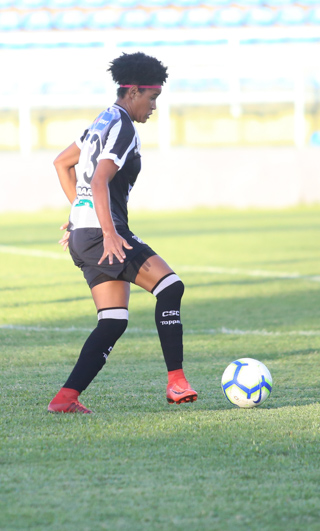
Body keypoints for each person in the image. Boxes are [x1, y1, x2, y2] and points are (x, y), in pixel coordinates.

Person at [47, 52, 197, 414]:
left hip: (85, 236)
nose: (154, 106)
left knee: (113, 321)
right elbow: (99, 181)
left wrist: (78, 216)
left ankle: (65, 399)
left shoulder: (102, 119)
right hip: (102, 235)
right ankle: (176, 382)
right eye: (152, 98)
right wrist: (111, 233)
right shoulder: (124, 126)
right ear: (132, 92)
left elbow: (61, 163)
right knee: (170, 287)